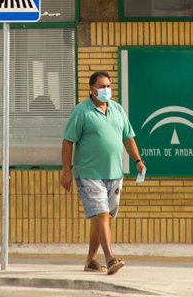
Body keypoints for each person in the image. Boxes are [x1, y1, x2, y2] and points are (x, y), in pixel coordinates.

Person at [60, 71, 145, 276]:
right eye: (102, 86)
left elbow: (128, 137)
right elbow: (68, 141)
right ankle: (110, 258)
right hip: (89, 174)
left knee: (101, 217)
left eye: (108, 86)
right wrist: (66, 171)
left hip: (114, 174)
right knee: (102, 214)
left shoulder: (117, 109)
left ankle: (91, 260)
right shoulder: (81, 111)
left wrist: (138, 160)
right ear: (92, 89)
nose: (106, 90)